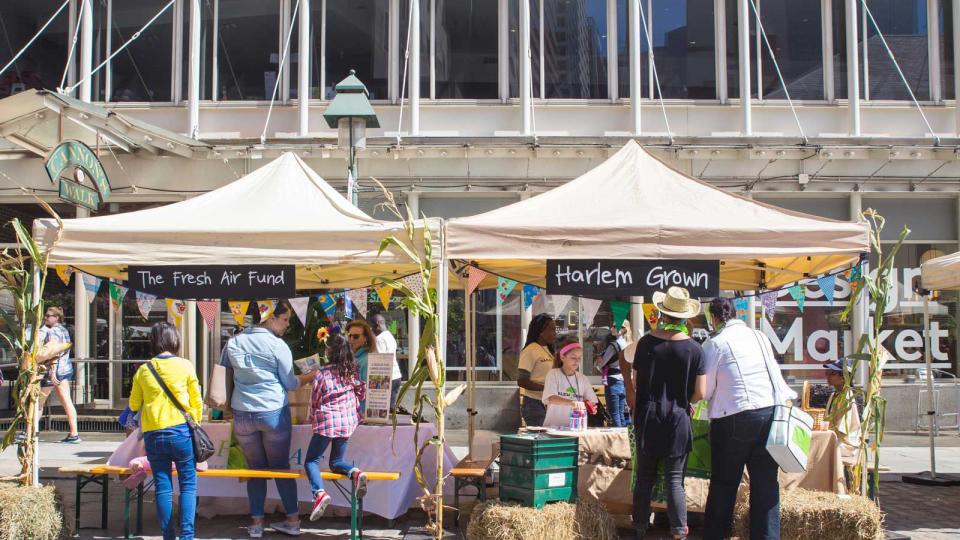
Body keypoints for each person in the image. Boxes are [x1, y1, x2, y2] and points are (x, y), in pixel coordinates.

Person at [702, 297, 797, 540]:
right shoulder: (759, 336)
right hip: (769, 412)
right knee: (766, 486)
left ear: (714, 318)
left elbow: (706, 389)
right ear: (736, 314)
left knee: (724, 485)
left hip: (734, 416)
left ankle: (715, 536)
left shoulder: (715, 343)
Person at [221, 303, 314, 538]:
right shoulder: (277, 345)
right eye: (285, 320)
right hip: (273, 410)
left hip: (242, 412)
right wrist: (310, 377)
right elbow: (291, 384)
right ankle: (292, 519)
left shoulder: (233, 342)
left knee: (256, 469)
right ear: (270, 318)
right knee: (281, 467)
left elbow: (223, 374)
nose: (287, 325)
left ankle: (256, 524)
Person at [631, 287, 706, 540]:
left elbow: (635, 380)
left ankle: (640, 528)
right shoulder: (695, 349)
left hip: (648, 415)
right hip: (678, 416)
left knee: (645, 477)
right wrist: (685, 402)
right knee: (675, 480)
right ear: (685, 318)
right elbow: (701, 392)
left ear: (662, 314)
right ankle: (678, 531)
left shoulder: (645, 343)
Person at [128, 322, 202, 540]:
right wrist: (195, 422)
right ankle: (187, 535)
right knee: (188, 485)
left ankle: (167, 536)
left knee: (163, 487)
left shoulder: (144, 369)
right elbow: (196, 401)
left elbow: (134, 404)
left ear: (154, 341)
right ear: (175, 340)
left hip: (154, 434)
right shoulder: (186, 365)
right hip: (181, 432)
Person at [304, 334, 369, 521]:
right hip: (347, 421)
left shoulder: (322, 374)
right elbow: (362, 392)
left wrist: (313, 416)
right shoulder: (351, 372)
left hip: (327, 421)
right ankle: (356, 472)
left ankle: (319, 494)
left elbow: (315, 400)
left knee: (312, 461)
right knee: (336, 462)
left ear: (329, 352)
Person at [37, 306, 80, 443]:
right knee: (66, 401)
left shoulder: (54, 331)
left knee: (38, 402)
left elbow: (52, 351)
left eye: (49, 315)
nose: (46, 317)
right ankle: (74, 433)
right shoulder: (64, 330)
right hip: (64, 369)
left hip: (53, 371)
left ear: (56, 317)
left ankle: (31, 432)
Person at [541, 338, 598, 428]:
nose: (577, 361)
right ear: (562, 357)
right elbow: (551, 398)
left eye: (579, 358)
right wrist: (572, 402)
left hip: (576, 428)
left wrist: (591, 407)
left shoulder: (583, 379)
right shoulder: (553, 374)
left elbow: (592, 400)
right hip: (553, 428)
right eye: (573, 357)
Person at [517, 314, 557, 427]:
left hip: (548, 403)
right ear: (541, 331)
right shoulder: (530, 350)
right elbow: (521, 380)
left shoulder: (548, 351)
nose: (555, 333)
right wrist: (547, 389)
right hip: (534, 405)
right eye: (552, 329)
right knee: (541, 440)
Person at [823, 358, 861, 462]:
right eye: (828, 372)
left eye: (832, 373)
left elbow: (841, 431)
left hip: (846, 445)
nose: (828, 376)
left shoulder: (847, 398)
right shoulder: (834, 395)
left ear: (843, 378)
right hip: (836, 441)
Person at [372, 314, 403, 411]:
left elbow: (382, 362)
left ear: (377, 324)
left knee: (384, 410)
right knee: (391, 407)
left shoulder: (379, 339)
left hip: (387, 377)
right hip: (396, 375)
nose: (372, 330)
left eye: (372, 326)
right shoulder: (390, 336)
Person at [598, 330, 627, 427]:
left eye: (615, 326)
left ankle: (619, 439)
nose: (612, 328)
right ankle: (626, 439)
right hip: (623, 379)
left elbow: (601, 363)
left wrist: (597, 362)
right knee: (621, 413)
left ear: (623, 329)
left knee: (614, 414)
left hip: (613, 380)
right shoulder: (627, 343)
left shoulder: (613, 346)